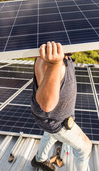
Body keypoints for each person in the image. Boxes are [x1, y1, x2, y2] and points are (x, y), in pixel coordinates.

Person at [31, 41, 92, 171]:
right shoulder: (47, 62)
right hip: (56, 121)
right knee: (85, 147)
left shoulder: (62, 56)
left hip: (53, 119)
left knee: (51, 135)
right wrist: (55, 64)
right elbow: (47, 104)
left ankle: (39, 159)